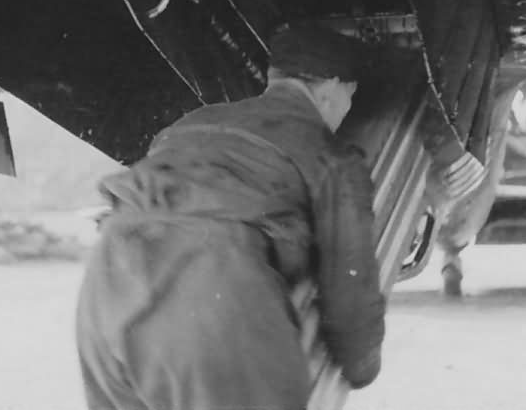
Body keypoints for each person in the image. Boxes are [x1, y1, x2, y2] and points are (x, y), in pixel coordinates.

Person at [76, 24, 386, 410]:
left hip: (106, 281)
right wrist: (362, 364)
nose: (346, 111)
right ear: (332, 88)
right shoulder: (330, 156)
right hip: (208, 286)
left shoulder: (192, 123)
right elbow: (349, 288)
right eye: (350, 98)